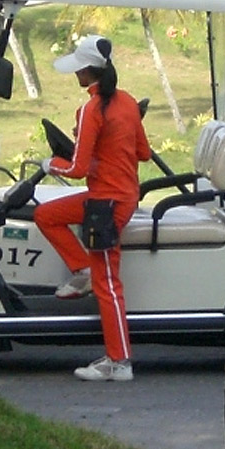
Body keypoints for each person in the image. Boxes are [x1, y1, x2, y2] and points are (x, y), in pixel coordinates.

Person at [34, 35, 151, 381]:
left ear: (87, 71)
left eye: (77, 69)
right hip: (122, 196)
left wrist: (48, 164)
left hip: (106, 204)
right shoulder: (127, 102)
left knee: (108, 284)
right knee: (47, 215)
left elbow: (76, 169)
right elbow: (142, 153)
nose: (75, 75)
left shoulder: (90, 109)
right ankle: (81, 269)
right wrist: (106, 151)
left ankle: (119, 362)